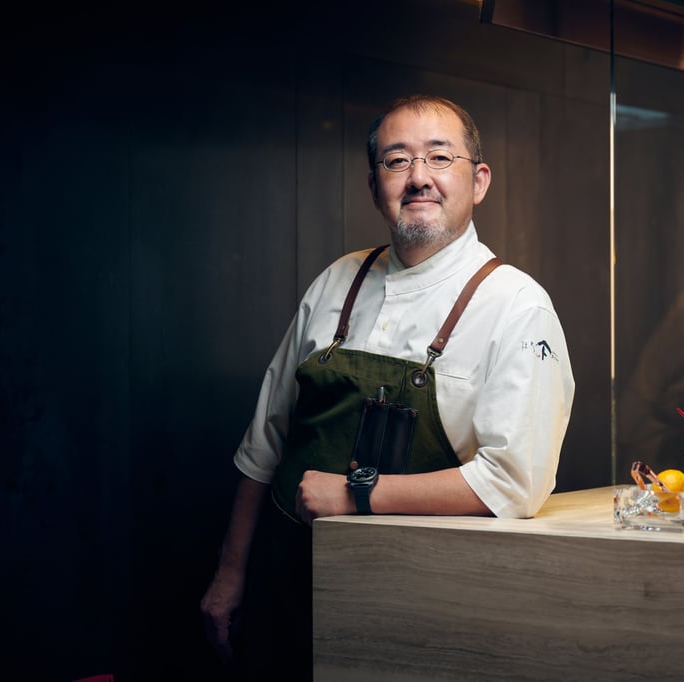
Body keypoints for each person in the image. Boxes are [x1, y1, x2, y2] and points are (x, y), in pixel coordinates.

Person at [200, 94, 575, 680]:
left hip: (421, 604)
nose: (419, 178)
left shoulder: (516, 305)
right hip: (287, 586)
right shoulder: (335, 280)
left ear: (478, 181)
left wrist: (356, 494)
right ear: (375, 186)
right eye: (397, 161)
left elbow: (515, 480)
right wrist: (229, 574)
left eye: (439, 158)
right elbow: (264, 444)